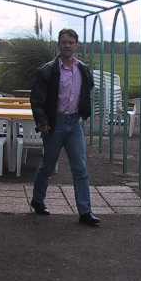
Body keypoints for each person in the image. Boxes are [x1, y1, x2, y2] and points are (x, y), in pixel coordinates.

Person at [30, 28, 100, 226]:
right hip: (54, 124)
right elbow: (36, 99)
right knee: (48, 166)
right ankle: (37, 200)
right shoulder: (47, 70)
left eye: (71, 42)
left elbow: (88, 90)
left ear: (76, 45)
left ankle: (85, 212)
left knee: (81, 168)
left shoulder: (83, 69)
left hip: (74, 122)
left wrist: (83, 112)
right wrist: (42, 122)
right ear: (58, 44)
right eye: (64, 42)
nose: (67, 45)